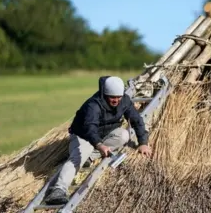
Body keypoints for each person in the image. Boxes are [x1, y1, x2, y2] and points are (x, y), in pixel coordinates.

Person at [44, 76, 152, 205]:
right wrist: (99, 145)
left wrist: (143, 143)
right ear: (105, 94)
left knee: (123, 135)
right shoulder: (93, 105)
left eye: (118, 97)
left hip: (106, 133)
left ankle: (90, 158)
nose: (116, 100)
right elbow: (90, 128)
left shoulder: (125, 100)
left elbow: (137, 120)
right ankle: (58, 189)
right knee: (78, 157)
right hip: (83, 135)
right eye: (112, 97)